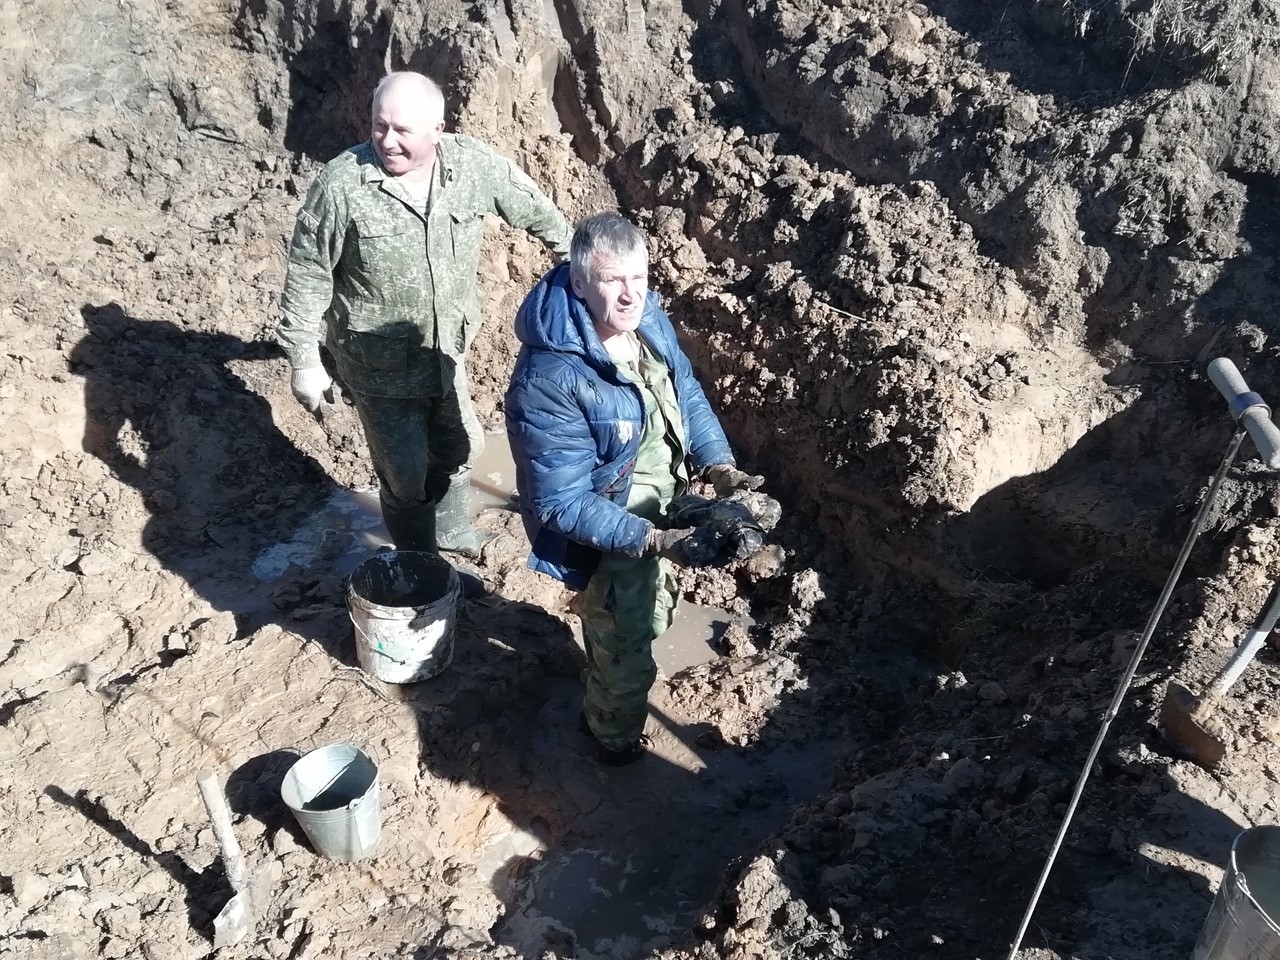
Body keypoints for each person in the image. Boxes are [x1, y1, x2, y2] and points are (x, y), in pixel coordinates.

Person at [277, 71, 571, 589]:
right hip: (378, 367)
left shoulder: (471, 167)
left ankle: (452, 531)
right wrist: (304, 358)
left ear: (438, 129)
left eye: (402, 131)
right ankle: (421, 564)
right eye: (379, 126)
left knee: (460, 446)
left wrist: (582, 267)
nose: (387, 141)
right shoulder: (343, 185)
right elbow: (308, 271)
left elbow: (536, 210)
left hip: (446, 352)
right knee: (406, 474)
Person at [505, 212, 763, 765]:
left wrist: (721, 468)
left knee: (653, 616)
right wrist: (654, 540)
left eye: (639, 277)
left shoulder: (646, 317)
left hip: (661, 500)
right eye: (612, 280)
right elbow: (559, 500)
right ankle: (610, 742)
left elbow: (685, 389)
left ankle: (605, 648)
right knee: (626, 658)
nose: (630, 295)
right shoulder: (549, 379)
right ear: (579, 282)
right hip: (608, 529)